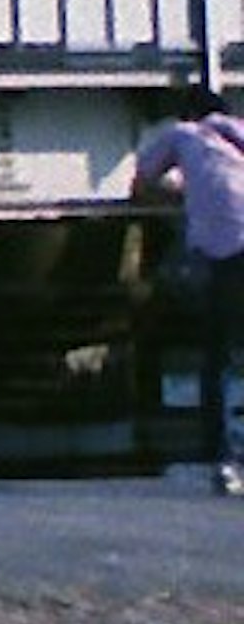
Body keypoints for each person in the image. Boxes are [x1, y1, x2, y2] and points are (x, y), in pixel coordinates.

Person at [131, 108, 244, 493]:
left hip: (227, 251)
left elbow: (141, 184)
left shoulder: (180, 134)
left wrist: (182, 194)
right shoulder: (236, 133)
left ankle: (221, 455)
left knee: (220, 353)